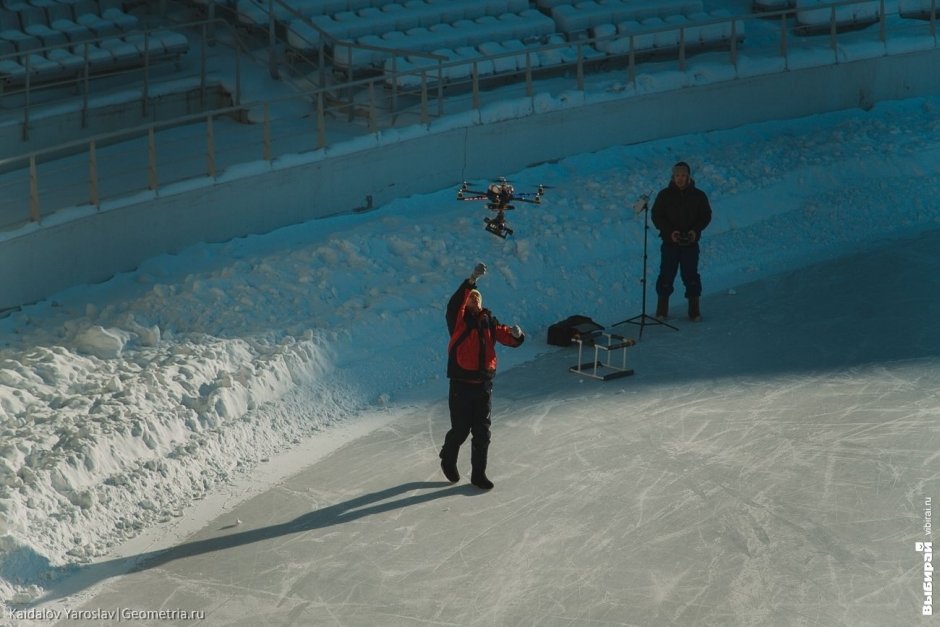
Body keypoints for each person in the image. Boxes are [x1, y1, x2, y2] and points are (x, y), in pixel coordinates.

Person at [440, 262, 525, 490]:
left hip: (483, 386)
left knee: (482, 432)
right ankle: (448, 458)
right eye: (471, 299)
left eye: (477, 299)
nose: (474, 302)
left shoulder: (488, 321)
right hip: (461, 385)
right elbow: (454, 304)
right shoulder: (458, 322)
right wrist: (471, 281)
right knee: (460, 430)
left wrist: (517, 335)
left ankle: (479, 473)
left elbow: (507, 336)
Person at [651, 161, 713, 322]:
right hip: (670, 244)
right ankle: (661, 311)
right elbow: (656, 216)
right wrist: (670, 232)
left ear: (688, 177)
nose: (680, 179)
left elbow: (705, 216)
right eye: (677, 175)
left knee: (690, 275)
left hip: (690, 244)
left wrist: (695, 231)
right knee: (666, 275)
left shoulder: (699, 195)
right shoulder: (664, 195)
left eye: (683, 175)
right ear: (673, 176)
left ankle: (694, 311)